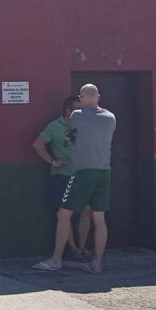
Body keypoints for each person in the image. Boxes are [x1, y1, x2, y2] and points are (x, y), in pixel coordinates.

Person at [34, 84, 115, 273]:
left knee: (63, 214)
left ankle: (56, 260)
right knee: (99, 218)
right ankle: (96, 263)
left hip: (82, 171)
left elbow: (71, 138)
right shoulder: (111, 117)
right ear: (98, 97)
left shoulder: (77, 115)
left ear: (82, 97)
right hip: (104, 171)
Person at [32, 95, 91, 260]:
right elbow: (38, 144)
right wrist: (52, 161)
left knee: (87, 210)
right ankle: (71, 247)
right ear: (68, 111)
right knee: (65, 213)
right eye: (79, 110)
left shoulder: (85, 126)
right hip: (63, 175)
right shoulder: (55, 127)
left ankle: (82, 246)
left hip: (83, 174)